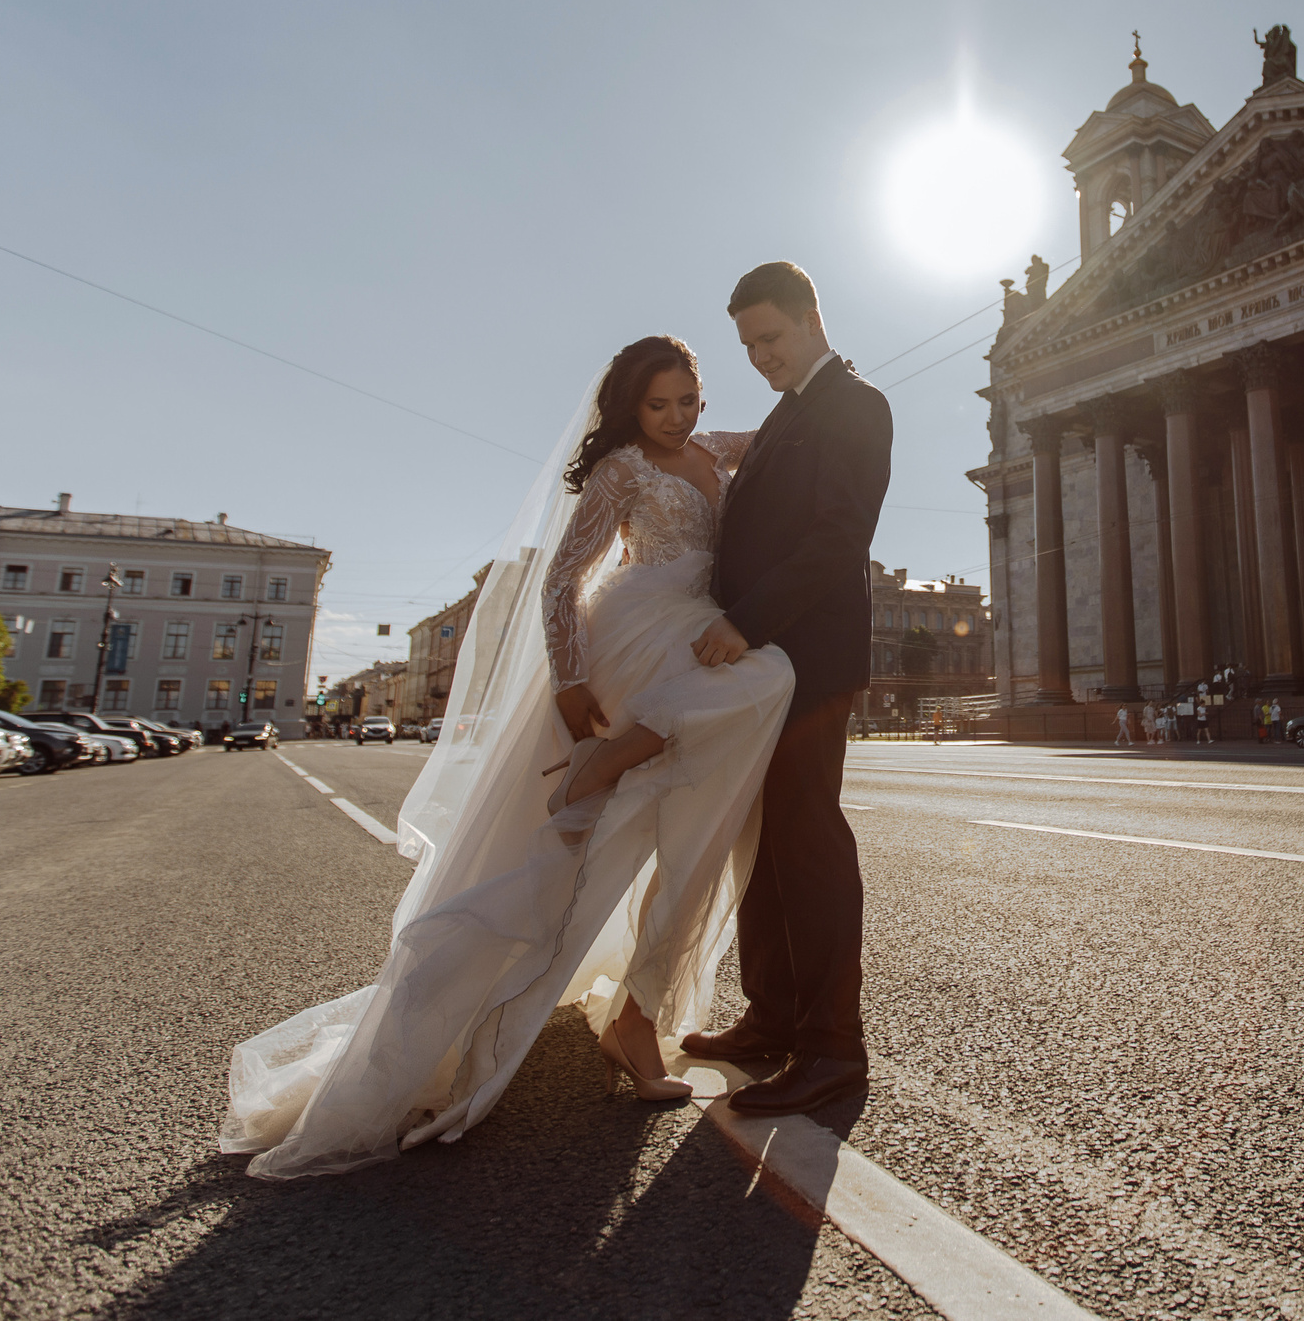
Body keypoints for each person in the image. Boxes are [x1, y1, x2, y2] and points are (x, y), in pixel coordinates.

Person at [217, 310, 861, 1178]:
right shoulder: (621, 469)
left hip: (700, 630)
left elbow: (790, 436)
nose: (675, 416)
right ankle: (621, 761)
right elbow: (565, 576)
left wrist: (831, 378)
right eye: (659, 403)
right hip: (638, 634)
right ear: (630, 409)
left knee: (704, 823)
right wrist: (567, 683)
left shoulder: (717, 450)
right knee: (723, 723)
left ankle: (640, 1010)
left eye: (688, 400)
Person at [676, 262, 894, 1118]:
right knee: (762, 843)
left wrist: (747, 620)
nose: (759, 354)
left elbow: (839, 535)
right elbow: (769, 482)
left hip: (804, 657)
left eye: (769, 337)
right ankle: (770, 1017)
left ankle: (833, 1048)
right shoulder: (791, 409)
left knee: (808, 842)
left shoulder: (856, 402)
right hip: (768, 663)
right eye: (747, 344)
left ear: (811, 317)